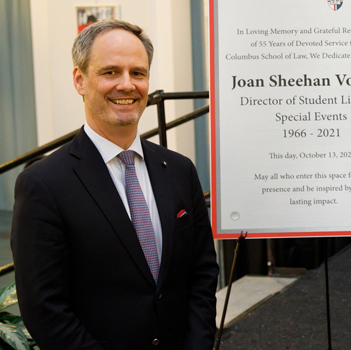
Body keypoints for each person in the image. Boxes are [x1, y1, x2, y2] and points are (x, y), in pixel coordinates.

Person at [11, 19, 219, 349]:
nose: (127, 85)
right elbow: (45, 311)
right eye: (110, 72)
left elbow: (203, 275)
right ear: (80, 80)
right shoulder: (43, 185)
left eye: (137, 73)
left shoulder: (179, 170)